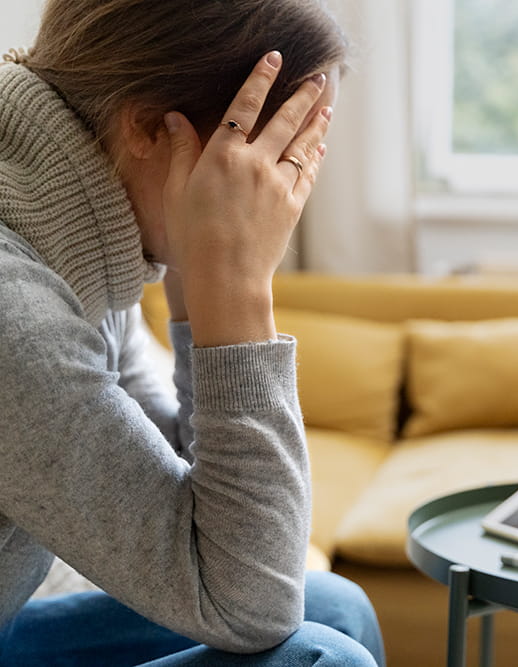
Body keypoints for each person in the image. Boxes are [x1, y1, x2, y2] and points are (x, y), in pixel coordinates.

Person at [0, 1, 385, 665]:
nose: (286, 191)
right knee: (324, 659)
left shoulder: (71, 227)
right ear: (150, 125)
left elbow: (174, 477)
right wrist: (233, 285)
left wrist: (194, 276)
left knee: (336, 605)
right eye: (271, 151)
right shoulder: (17, 312)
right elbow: (249, 600)